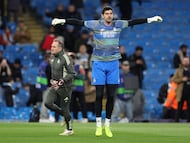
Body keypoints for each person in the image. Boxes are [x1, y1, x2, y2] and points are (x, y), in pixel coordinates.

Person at [51, 6, 163, 137]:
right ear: (103, 15)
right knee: (98, 95)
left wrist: (151, 19)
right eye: (107, 13)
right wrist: (61, 20)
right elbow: (78, 22)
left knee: (111, 96)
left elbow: (134, 22)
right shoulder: (96, 24)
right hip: (98, 63)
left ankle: (107, 126)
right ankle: (98, 126)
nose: (109, 15)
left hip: (113, 64)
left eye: (111, 13)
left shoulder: (118, 24)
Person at [44, 37, 75, 136]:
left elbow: (72, 73)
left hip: (66, 87)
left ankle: (69, 129)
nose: (51, 48)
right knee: (47, 103)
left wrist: (62, 80)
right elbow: (54, 72)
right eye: (51, 46)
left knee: (65, 107)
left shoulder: (66, 57)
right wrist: (52, 80)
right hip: (55, 86)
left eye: (54, 47)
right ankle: (65, 116)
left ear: (60, 48)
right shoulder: (52, 57)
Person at [172, 57, 190, 122]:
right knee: (179, 107)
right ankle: (176, 120)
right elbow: (173, 79)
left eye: (187, 61)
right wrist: (181, 79)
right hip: (181, 91)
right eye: (184, 61)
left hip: (189, 90)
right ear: (182, 62)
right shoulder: (178, 70)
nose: (186, 62)